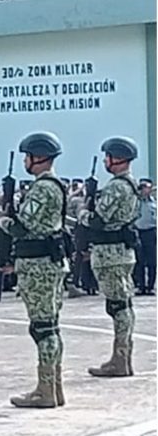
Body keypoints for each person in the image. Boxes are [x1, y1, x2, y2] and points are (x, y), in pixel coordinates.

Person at [0, 131, 68, 408]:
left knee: (43, 328)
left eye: (28, 156)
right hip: (46, 263)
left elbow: (22, 226)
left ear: (38, 157)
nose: (26, 161)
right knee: (49, 326)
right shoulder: (55, 185)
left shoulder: (42, 187)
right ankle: (53, 387)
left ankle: (45, 390)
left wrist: (5, 220)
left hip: (38, 265)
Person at [82, 137, 140, 378]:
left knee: (118, 306)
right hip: (122, 252)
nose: (105, 160)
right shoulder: (131, 184)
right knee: (123, 304)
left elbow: (98, 220)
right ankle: (122, 357)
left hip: (110, 253)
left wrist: (84, 211)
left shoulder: (117, 186)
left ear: (117, 158)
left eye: (108, 156)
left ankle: (120, 359)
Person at [134, 178, 155, 295]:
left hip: (151, 232)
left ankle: (150, 286)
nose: (145, 190)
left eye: (147, 187)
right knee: (139, 260)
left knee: (152, 261)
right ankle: (141, 286)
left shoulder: (154, 202)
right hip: (138, 231)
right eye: (143, 188)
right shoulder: (135, 202)